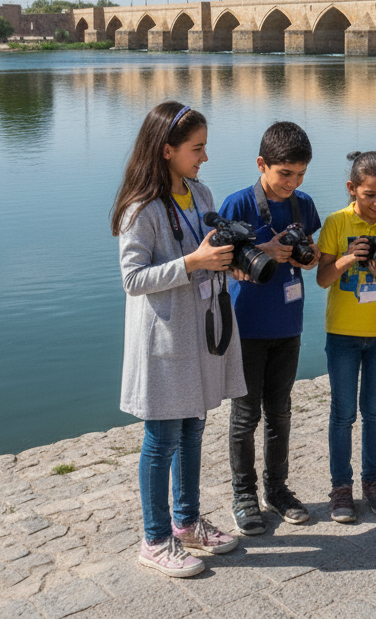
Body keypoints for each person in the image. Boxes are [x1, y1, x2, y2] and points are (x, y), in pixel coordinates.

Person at [112, 101, 245, 578]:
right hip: (165, 339)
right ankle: (154, 538)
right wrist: (193, 263)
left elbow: (213, 251)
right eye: (197, 148)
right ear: (166, 151)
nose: (205, 157)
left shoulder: (201, 193)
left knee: (193, 430)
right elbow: (132, 279)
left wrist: (238, 261)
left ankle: (186, 523)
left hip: (202, 331)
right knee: (162, 438)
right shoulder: (140, 209)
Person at [218, 122, 321, 536]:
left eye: (300, 175)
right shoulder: (237, 204)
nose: (292, 183)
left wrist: (308, 258)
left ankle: (276, 489)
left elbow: (309, 255)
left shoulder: (303, 204)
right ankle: (243, 495)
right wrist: (264, 250)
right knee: (245, 416)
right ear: (262, 164)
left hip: (288, 323)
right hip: (247, 327)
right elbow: (218, 260)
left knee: (280, 412)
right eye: (284, 174)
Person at [316, 150, 376, 523]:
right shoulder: (336, 223)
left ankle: (373, 483)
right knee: (343, 414)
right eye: (370, 194)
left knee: (375, 411)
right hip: (342, 333)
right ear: (351, 189)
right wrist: (346, 258)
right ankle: (341, 487)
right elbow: (323, 278)